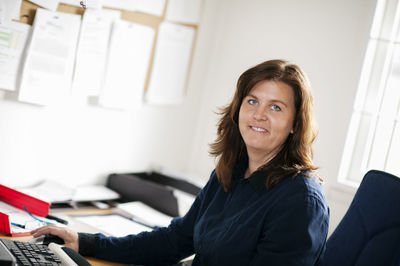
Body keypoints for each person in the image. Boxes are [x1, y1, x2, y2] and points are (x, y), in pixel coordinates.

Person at [31, 59, 329, 266]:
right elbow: (176, 240)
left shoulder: (300, 201)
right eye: (252, 101)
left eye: (275, 107)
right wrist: (87, 242)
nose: (259, 114)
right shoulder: (232, 170)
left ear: (294, 123)